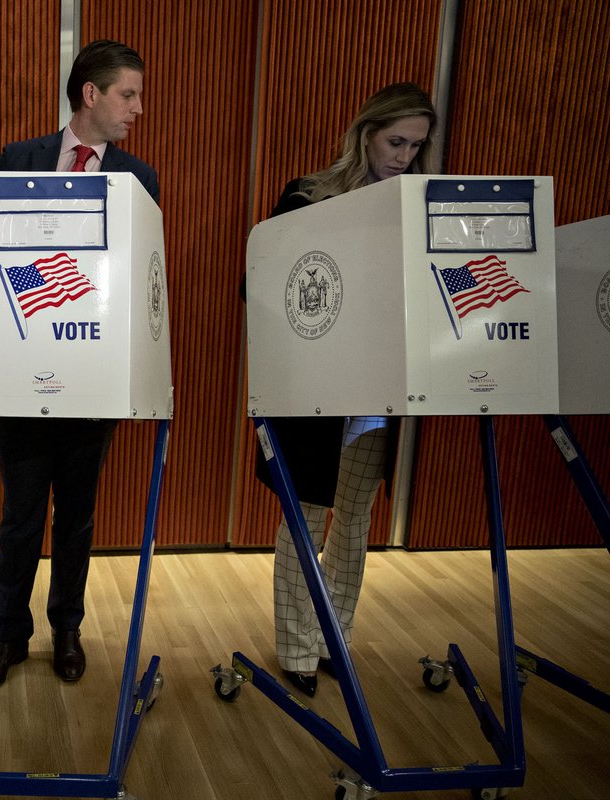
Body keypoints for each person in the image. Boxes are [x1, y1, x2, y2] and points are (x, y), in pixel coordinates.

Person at [0, 39, 160, 693]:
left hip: (95, 380)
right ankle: (8, 636)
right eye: (128, 94)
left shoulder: (138, 178)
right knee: (20, 515)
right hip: (22, 375)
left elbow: (139, 278)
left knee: (76, 516)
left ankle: (67, 630)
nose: (137, 108)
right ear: (91, 94)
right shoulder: (17, 160)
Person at [257, 82, 439, 697]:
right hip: (314, 390)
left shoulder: (415, 209)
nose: (404, 156)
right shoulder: (309, 197)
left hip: (378, 390)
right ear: (366, 135)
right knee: (307, 516)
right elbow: (261, 288)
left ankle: (334, 637)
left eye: (415, 146)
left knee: (355, 518)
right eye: (396, 142)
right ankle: (297, 648)